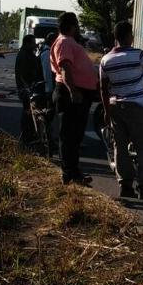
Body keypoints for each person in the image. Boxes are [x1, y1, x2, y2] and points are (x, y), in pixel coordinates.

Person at [100, 21, 143, 200]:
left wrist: (106, 110)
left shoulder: (105, 60)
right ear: (128, 36)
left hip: (116, 107)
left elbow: (103, 88)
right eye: (132, 34)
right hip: (137, 108)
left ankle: (125, 186)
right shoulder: (138, 55)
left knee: (120, 147)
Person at [51, 12, 99, 186]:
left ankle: (73, 171)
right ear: (73, 26)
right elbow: (65, 67)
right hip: (71, 93)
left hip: (76, 92)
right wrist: (73, 91)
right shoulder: (64, 41)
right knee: (70, 135)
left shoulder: (67, 41)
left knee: (74, 135)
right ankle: (69, 172)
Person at [14, 34, 42, 143]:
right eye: (33, 42)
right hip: (26, 88)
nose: (35, 44)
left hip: (27, 87)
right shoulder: (25, 55)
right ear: (27, 43)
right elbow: (23, 73)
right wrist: (27, 87)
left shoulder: (27, 53)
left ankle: (28, 134)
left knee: (29, 112)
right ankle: (26, 135)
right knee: (27, 112)